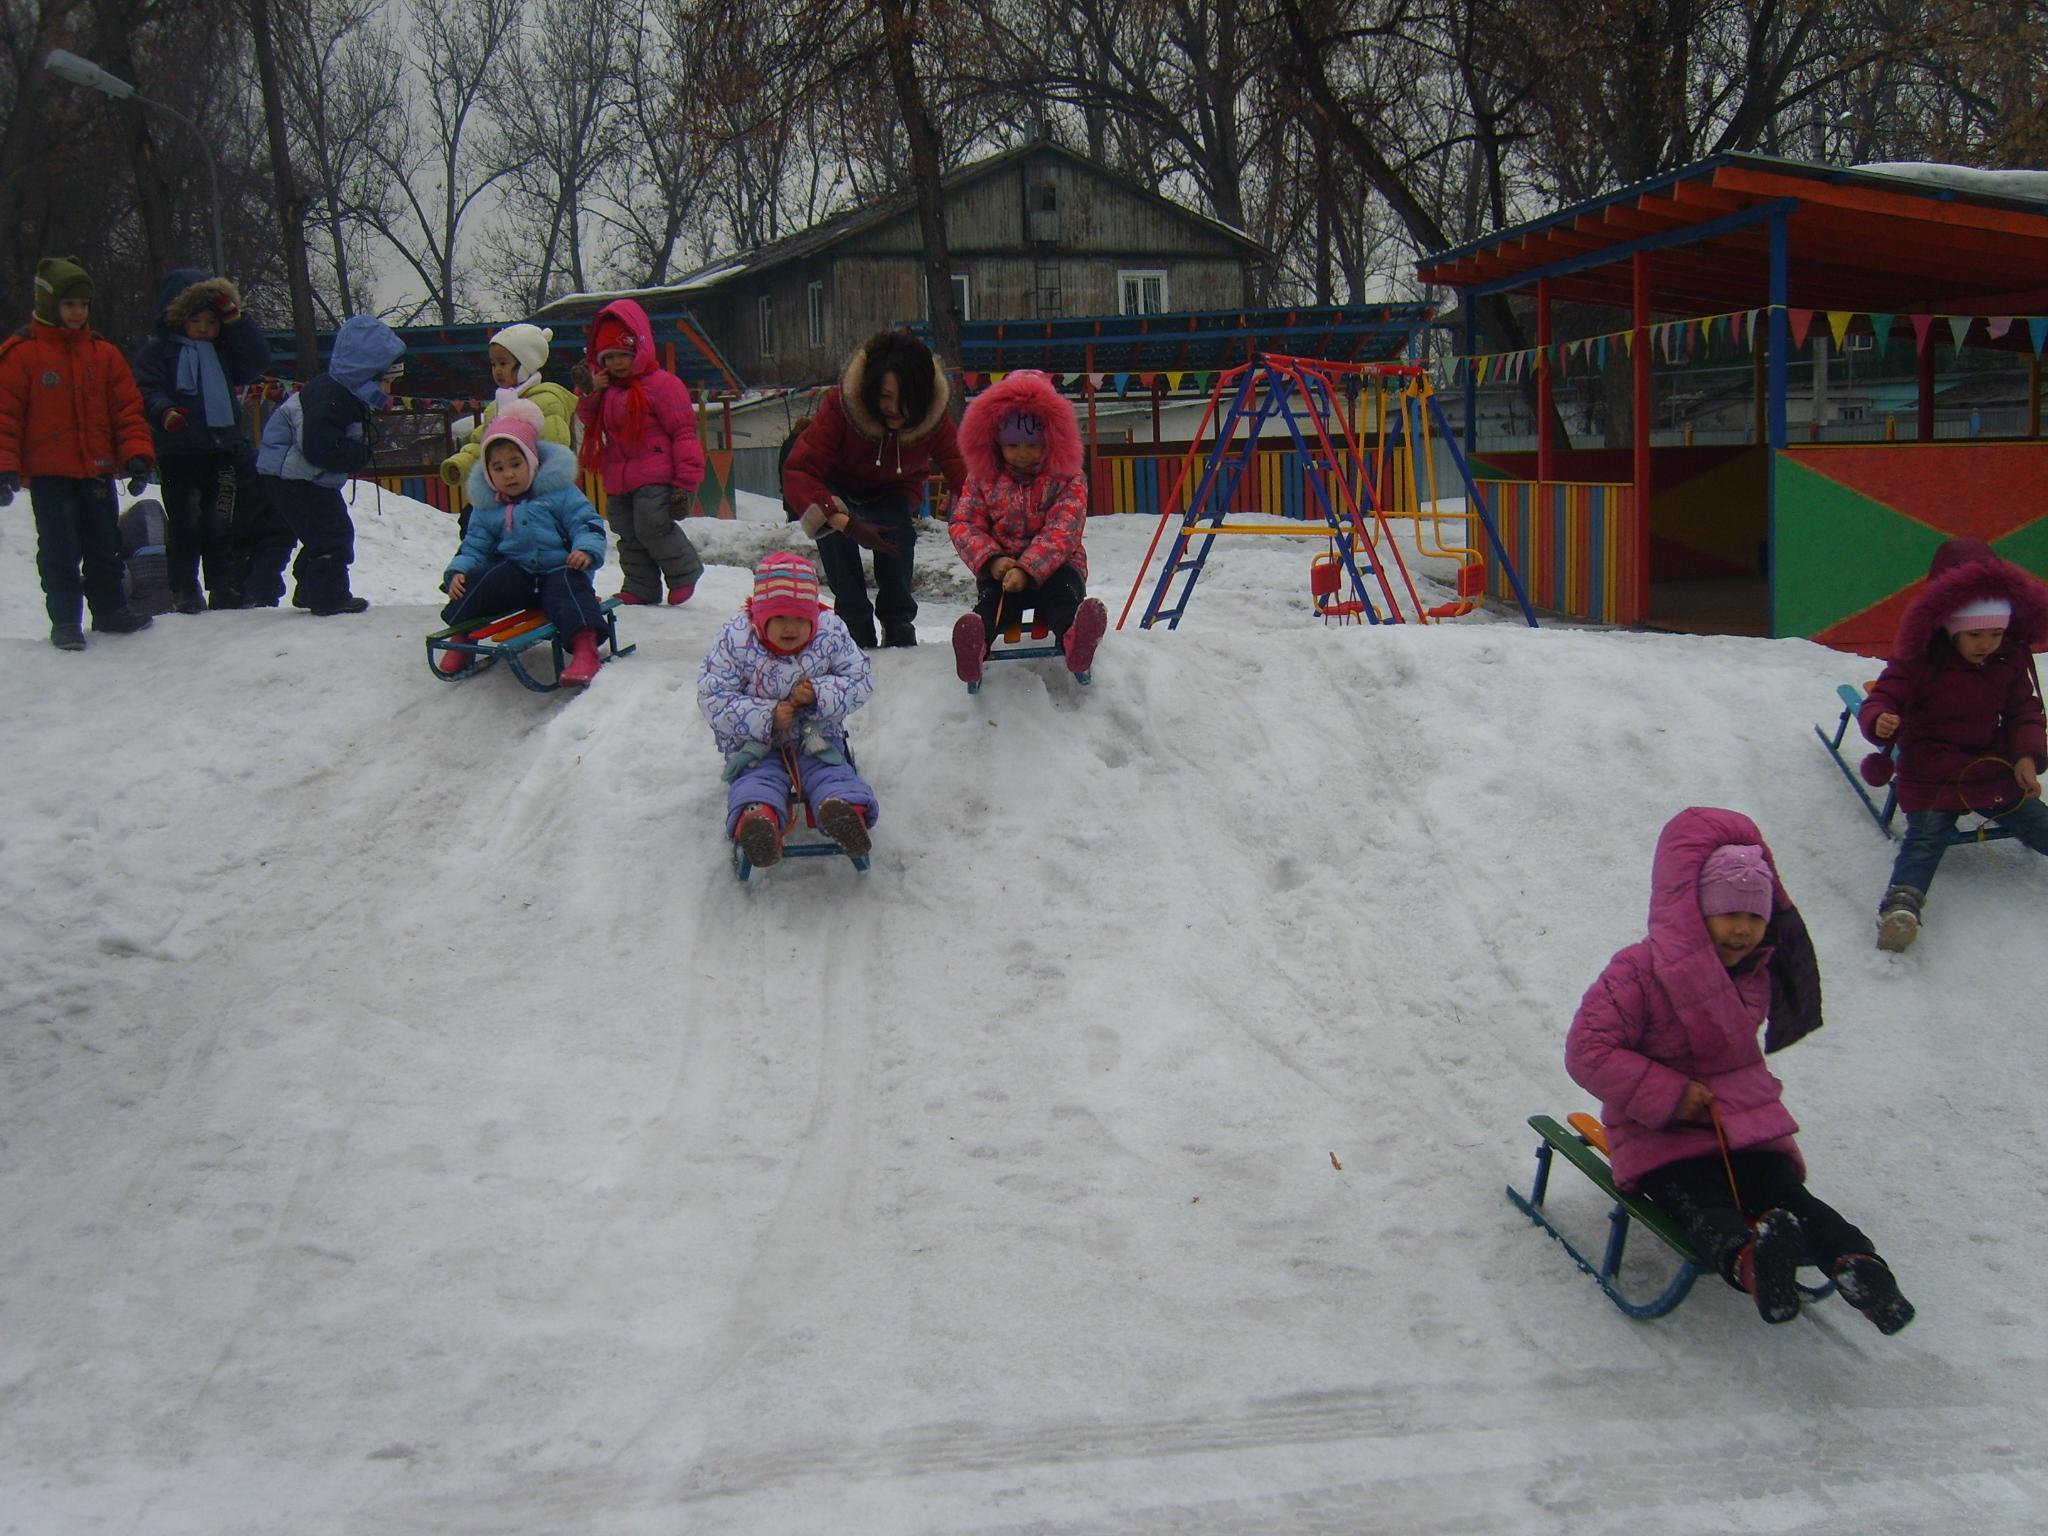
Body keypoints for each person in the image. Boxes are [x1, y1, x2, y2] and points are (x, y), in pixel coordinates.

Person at [1566, 807, 1914, 1334]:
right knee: (1701, 1201)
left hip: (1737, 1129)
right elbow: (1588, 1049)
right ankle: (1753, 1263)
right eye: (1729, 915)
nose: (1742, 930)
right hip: (1658, 1131)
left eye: (1755, 918)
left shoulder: (1753, 974)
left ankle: (1859, 1267)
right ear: (1695, 910)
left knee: (1788, 1195)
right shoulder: (1638, 970)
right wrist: (1670, 1092)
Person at [1857, 537, 2048, 951]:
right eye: (1976, 634)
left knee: (2036, 819)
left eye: (1997, 632)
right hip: (1932, 768)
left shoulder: (2007, 659)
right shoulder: (1921, 660)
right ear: (1949, 626)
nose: (1987, 643)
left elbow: (2024, 712)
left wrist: (2027, 757)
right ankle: (1902, 906)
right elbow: (1883, 697)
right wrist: (1880, 719)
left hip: (1989, 766)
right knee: (1926, 838)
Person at [0, 255, 156, 650]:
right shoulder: (22, 354)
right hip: (50, 474)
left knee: (105, 544)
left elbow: (126, 410)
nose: (77, 312)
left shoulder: (102, 354)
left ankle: (109, 610)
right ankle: (66, 621)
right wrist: (5, 467)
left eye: (83, 305)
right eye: (69, 304)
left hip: (97, 471)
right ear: (50, 305)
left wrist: (136, 455)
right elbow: (5, 416)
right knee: (59, 549)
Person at [781, 329, 967, 649]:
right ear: (869, 391)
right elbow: (799, 470)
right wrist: (844, 521)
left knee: (898, 536)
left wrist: (991, 518)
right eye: (884, 397)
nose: (893, 408)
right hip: (837, 486)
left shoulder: (934, 419)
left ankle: (898, 621)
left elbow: (963, 473)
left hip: (893, 489)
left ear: (922, 395)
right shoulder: (843, 406)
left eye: (903, 398)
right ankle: (854, 622)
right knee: (836, 538)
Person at [697, 552, 876, 868]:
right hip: (757, 744)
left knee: (831, 773)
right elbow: (714, 696)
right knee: (757, 780)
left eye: (800, 619)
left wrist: (818, 694)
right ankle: (758, 823)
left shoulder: (830, 634)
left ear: (814, 617)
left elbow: (859, 679)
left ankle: (843, 813)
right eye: (779, 618)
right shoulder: (737, 639)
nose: (790, 628)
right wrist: (766, 716)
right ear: (760, 615)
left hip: (815, 736)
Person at [945, 368, 1107, 687]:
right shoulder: (983, 478)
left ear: (1050, 440)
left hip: (1057, 566)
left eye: (1033, 445)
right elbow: (964, 522)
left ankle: (1076, 637)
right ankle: (975, 643)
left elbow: (1064, 528)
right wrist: (993, 562)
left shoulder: (1067, 476)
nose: (1023, 454)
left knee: (1062, 596)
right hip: (1002, 573)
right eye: (1013, 445)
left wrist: (1029, 569)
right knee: (993, 604)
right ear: (996, 443)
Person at [439, 398, 610, 687]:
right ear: (488, 473)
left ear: (531, 462)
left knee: (570, 587)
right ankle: (462, 635)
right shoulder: (487, 507)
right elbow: (475, 545)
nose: (508, 474)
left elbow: (586, 522)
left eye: (515, 464)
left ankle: (584, 648)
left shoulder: (558, 492)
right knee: (482, 578)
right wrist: (458, 571)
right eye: (499, 468)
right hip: (518, 575)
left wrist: (585, 550)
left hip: (558, 569)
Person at [130, 267, 272, 611]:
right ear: (178, 318)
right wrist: (165, 412)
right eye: (196, 321)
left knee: (220, 520)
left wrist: (237, 321)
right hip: (179, 451)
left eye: (211, 321)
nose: (204, 329)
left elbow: (256, 360)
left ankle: (223, 585)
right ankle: (184, 587)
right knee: (185, 523)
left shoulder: (223, 352)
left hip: (221, 449)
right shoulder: (160, 351)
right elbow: (146, 389)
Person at [254, 314, 406, 615]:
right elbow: (318, 447)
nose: (389, 391)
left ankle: (310, 590)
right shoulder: (332, 397)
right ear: (369, 374)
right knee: (333, 534)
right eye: (388, 382)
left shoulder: (342, 393)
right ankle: (328, 596)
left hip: (298, 477)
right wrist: (358, 455)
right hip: (293, 477)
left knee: (321, 532)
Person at [574, 297, 704, 607]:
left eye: (623, 355)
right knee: (626, 530)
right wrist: (592, 390)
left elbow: (684, 434)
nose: (616, 364)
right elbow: (586, 418)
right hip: (620, 476)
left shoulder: (663, 385)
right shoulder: (607, 391)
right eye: (608, 358)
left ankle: (683, 571)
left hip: (658, 474)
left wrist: (686, 483)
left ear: (640, 349)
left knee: (651, 524)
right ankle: (641, 585)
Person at [439, 323, 578, 537]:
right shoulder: (497, 405)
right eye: (493, 364)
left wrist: (534, 479)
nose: (497, 371)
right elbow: (482, 444)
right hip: (501, 489)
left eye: (503, 363)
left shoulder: (547, 400)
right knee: (470, 525)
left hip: (536, 494)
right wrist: (461, 463)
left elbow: (554, 446)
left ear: (525, 364)